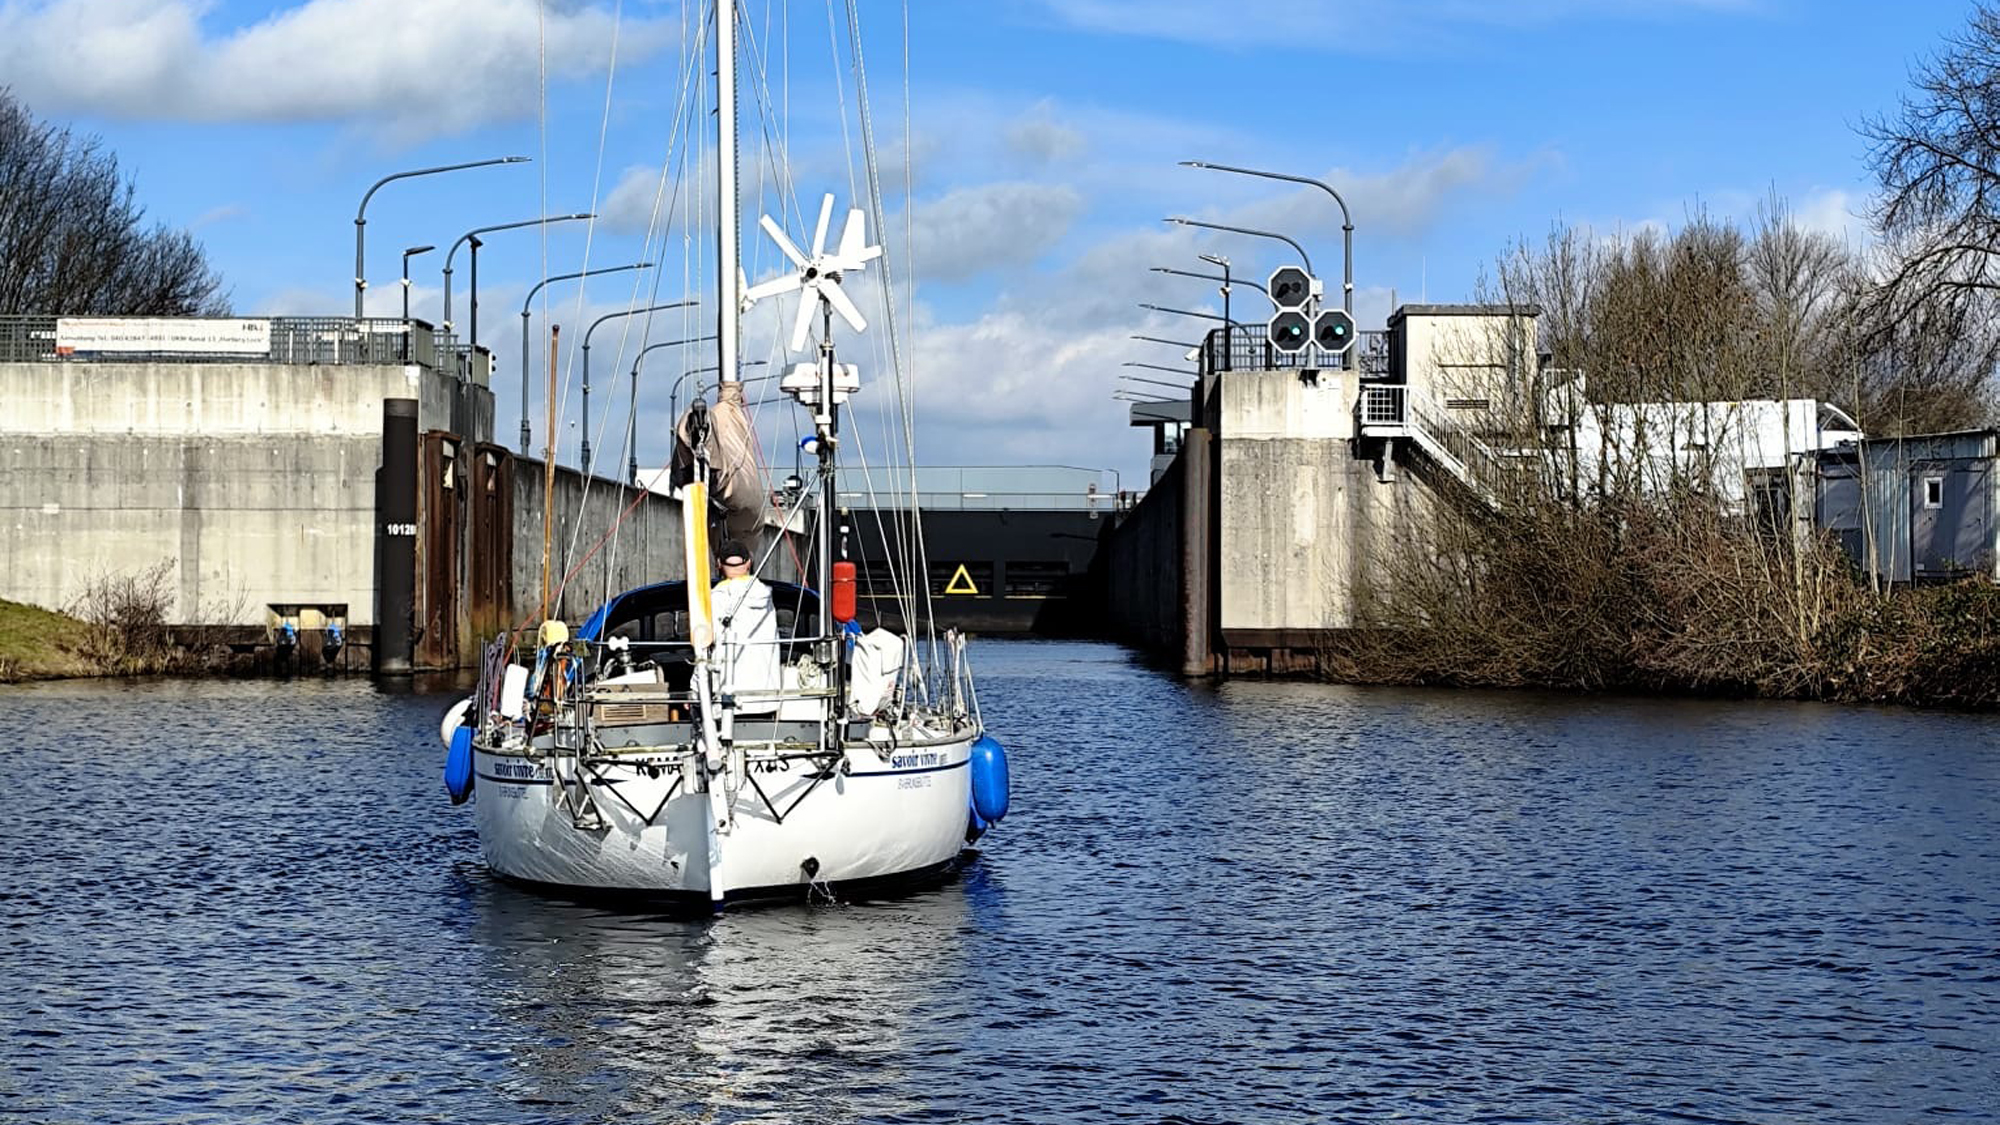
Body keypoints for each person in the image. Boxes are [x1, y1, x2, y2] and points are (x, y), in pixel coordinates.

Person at [711, 539, 781, 705]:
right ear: (749, 563)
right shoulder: (765, 597)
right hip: (766, 698)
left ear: (719, 564)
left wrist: (696, 689)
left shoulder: (716, 598)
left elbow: (708, 643)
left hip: (728, 697)